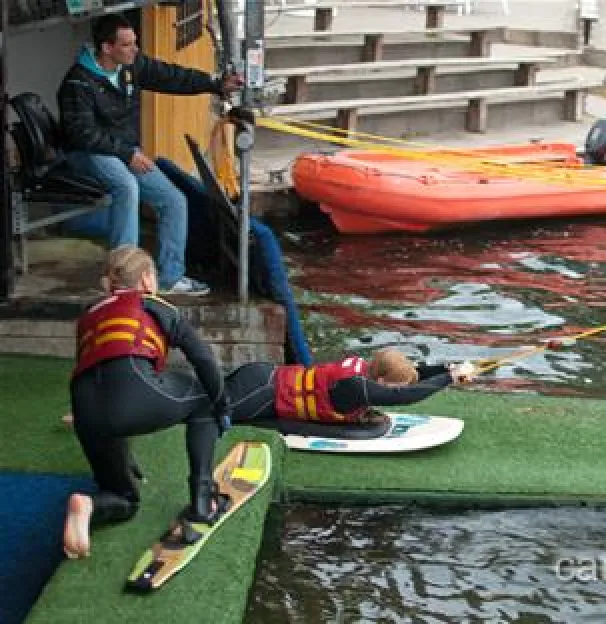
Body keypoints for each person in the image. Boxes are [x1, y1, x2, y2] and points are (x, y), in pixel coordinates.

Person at [62, 246, 232, 559]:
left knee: (124, 499)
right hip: (130, 396)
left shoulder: (90, 312)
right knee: (203, 401)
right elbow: (203, 358)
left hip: (86, 412)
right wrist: (221, 404)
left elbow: (95, 370)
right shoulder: (153, 304)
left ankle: (88, 505)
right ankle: (202, 502)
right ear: (146, 279)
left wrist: (120, 449)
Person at [57, 13, 244, 296]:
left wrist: (215, 84)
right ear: (107, 48)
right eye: (127, 45)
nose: (135, 50)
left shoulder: (132, 66)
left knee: (174, 200)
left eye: (135, 43)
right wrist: (126, 153)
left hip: (123, 152)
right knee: (126, 187)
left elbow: (170, 76)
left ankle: (170, 277)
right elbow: (81, 134)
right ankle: (124, 280)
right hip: (87, 153)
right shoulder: (77, 82)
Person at [220, 349, 477, 432]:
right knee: (208, 412)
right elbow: (404, 396)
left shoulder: (367, 369)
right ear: (383, 379)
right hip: (260, 392)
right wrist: (449, 379)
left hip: (263, 376)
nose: (404, 385)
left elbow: (413, 376)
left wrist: (446, 368)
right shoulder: (357, 387)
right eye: (397, 383)